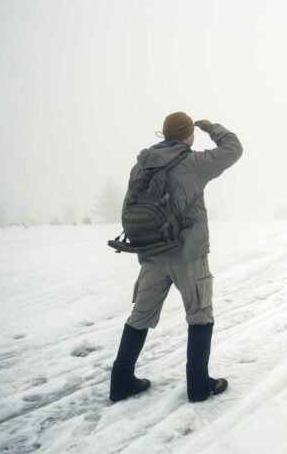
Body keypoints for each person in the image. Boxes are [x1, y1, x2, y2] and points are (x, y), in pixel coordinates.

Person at [109, 112, 243, 403]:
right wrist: (212, 128)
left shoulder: (142, 163)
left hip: (151, 253)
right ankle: (198, 386)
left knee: (140, 316)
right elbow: (233, 149)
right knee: (199, 315)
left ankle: (120, 382)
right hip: (188, 254)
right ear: (187, 135)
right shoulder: (193, 164)